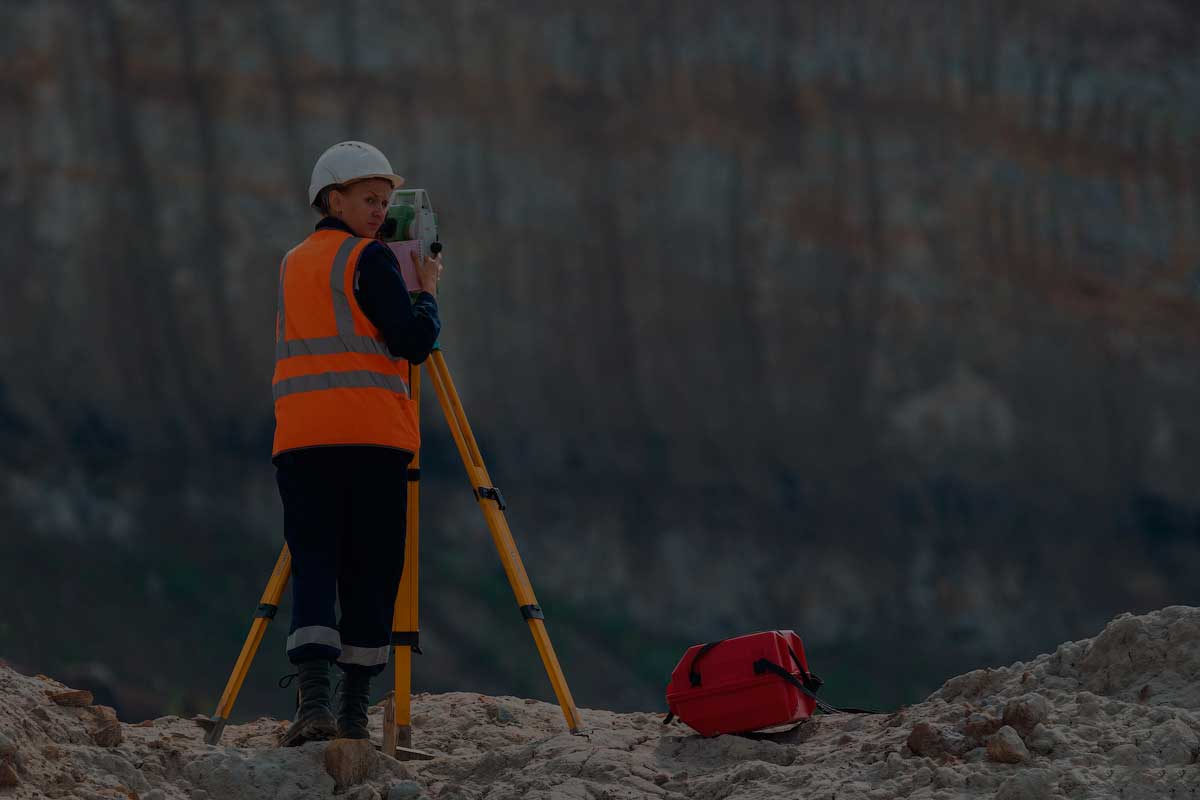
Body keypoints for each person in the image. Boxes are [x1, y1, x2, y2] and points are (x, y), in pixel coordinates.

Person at [272, 141, 443, 746]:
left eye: (386, 202)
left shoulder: (293, 262)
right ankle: (352, 713)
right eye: (370, 200)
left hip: (299, 440)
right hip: (369, 439)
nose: (379, 212)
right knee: (371, 568)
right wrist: (425, 291)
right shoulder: (368, 261)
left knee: (314, 561)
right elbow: (412, 341)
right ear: (333, 199)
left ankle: (310, 705)